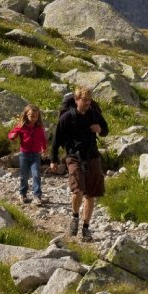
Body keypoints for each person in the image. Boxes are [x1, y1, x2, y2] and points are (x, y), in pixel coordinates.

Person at [49, 86, 108, 241]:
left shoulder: (94, 114)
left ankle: (86, 228)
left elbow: (106, 130)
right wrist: (53, 159)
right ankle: (75, 217)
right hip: (74, 156)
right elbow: (56, 139)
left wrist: (99, 129)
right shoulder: (67, 117)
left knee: (91, 194)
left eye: (89, 100)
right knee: (78, 190)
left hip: (92, 156)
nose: (88, 103)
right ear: (76, 100)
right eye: (84, 100)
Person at [8, 104, 47, 206]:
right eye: (31, 116)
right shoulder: (21, 126)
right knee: (24, 176)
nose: (33, 118)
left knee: (36, 174)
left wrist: (44, 148)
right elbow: (12, 134)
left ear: (38, 116)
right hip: (24, 155)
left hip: (35, 155)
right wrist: (12, 136)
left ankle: (37, 196)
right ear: (26, 115)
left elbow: (43, 139)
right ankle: (23, 193)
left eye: (35, 116)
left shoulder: (39, 128)